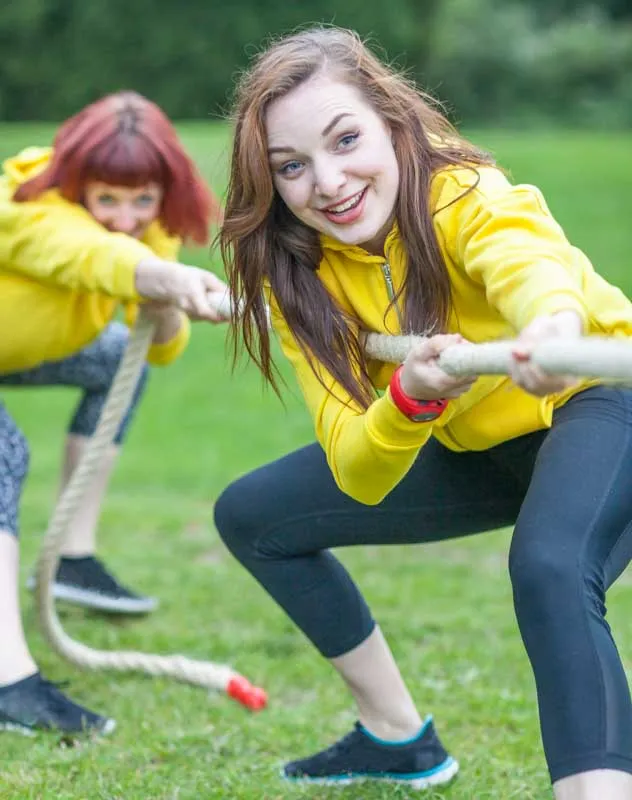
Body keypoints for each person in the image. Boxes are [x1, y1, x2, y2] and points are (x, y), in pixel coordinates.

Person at [214, 26, 632, 799]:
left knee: (549, 566)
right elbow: (357, 467)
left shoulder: (462, 193)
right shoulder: (302, 275)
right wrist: (409, 400)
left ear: (394, 124)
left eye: (346, 140)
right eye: (293, 167)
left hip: (602, 407)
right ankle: (397, 739)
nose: (329, 181)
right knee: (254, 517)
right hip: (485, 444)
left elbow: (525, 258)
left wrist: (553, 329)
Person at [0, 90, 229, 734]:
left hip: (20, 347)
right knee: (6, 455)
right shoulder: (25, 203)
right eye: (107, 200)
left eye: (141, 202)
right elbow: (82, 253)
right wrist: (153, 275)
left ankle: (74, 558)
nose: (125, 219)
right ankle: (8, 680)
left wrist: (169, 301)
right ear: (77, 187)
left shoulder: (150, 233)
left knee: (111, 366)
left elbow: (157, 348)